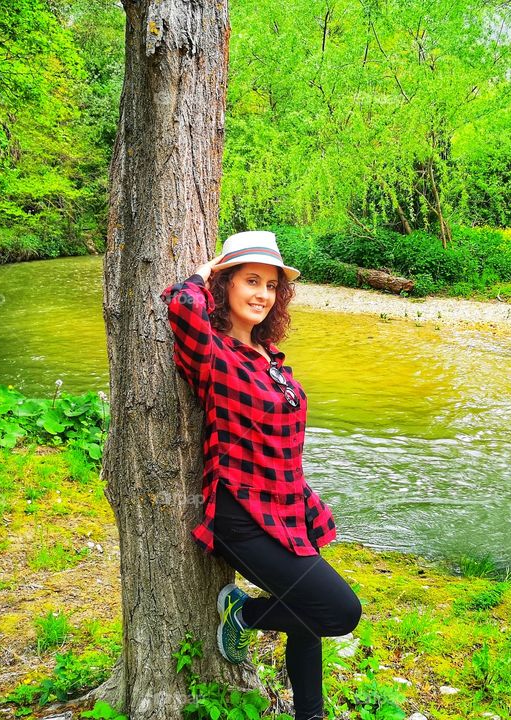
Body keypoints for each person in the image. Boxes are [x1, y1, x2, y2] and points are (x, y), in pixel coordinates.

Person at [161, 230, 362, 720]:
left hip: (286, 509)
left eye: (271, 286)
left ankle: (309, 717)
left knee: (309, 618)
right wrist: (205, 272)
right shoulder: (216, 354)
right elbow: (181, 306)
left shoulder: (270, 359)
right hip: (241, 516)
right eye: (250, 280)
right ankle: (243, 614)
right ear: (226, 285)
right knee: (339, 611)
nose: (262, 294)